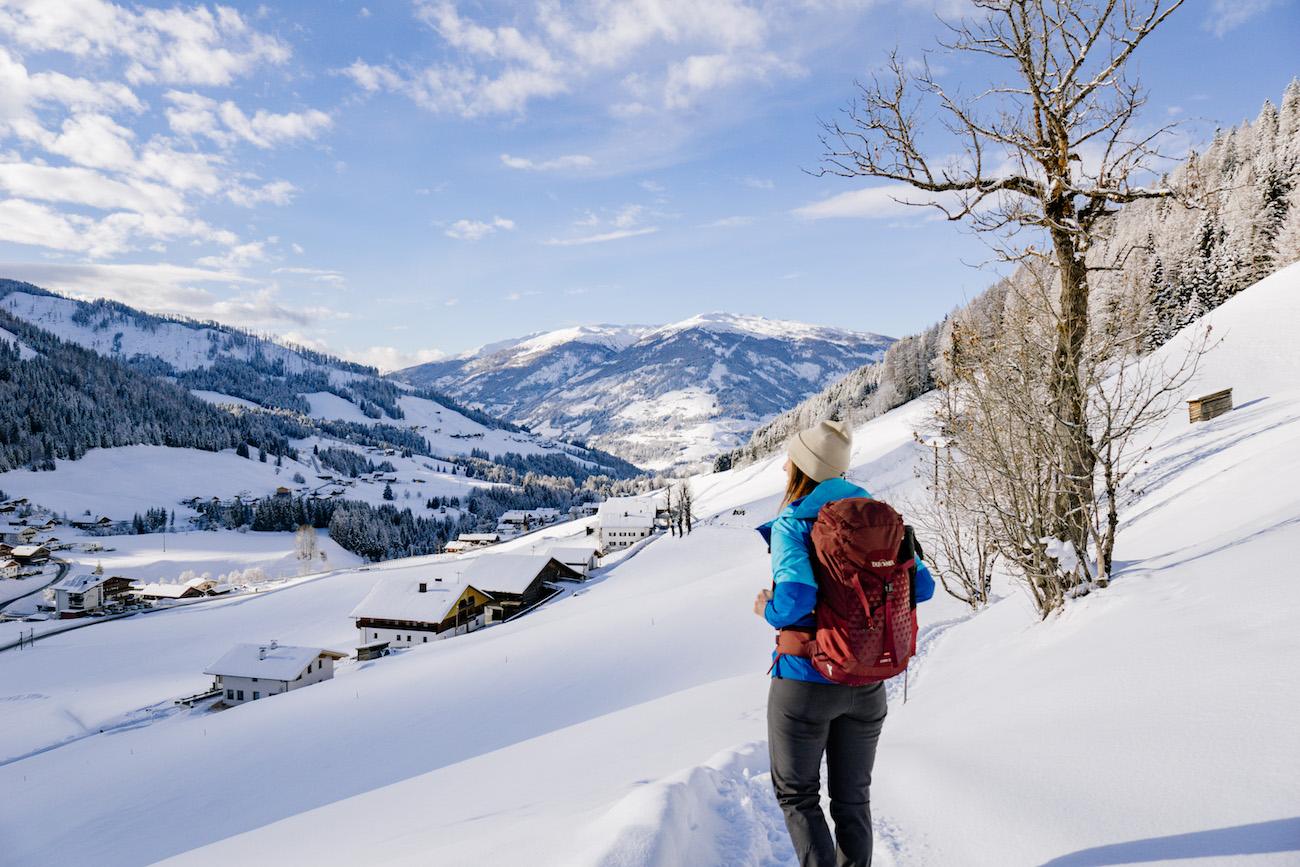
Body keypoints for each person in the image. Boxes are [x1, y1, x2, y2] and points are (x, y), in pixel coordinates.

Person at [754, 419, 934, 867]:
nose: (784, 468)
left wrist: (766, 610)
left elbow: (795, 600)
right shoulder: (883, 520)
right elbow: (923, 589)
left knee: (798, 796)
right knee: (853, 801)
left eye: (790, 460)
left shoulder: (794, 521)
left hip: (805, 680)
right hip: (868, 681)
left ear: (802, 468)